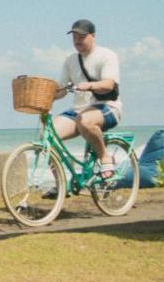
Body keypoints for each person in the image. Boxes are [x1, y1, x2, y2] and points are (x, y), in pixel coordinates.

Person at [51, 19, 122, 181]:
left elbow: (109, 84)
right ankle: (61, 184)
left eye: (81, 36)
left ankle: (105, 157)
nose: (77, 40)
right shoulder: (70, 60)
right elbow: (61, 90)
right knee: (48, 135)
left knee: (85, 120)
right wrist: (47, 94)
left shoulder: (106, 55)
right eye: (74, 37)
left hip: (107, 107)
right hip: (78, 111)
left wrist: (89, 85)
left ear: (93, 36)